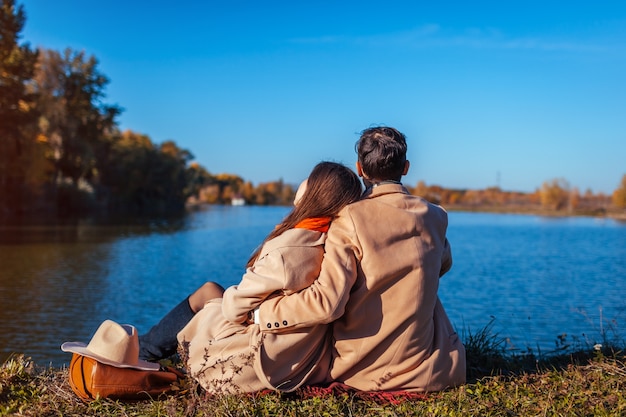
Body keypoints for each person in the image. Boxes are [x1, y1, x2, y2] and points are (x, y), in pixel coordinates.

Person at [255, 126, 466, 392]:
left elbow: (327, 302)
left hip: (365, 373)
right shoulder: (435, 215)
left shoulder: (349, 218)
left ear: (360, 169)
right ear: (406, 167)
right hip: (434, 369)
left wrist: (261, 314)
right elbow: (442, 265)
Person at [138, 161, 363, 393]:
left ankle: (142, 353)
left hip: (264, 359)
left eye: (310, 178)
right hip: (299, 353)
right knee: (213, 293)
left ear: (316, 192)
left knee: (208, 292)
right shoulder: (330, 243)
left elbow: (233, 310)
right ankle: (145, 350)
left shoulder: (288, 250)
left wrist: (249, 307)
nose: (303, 182)